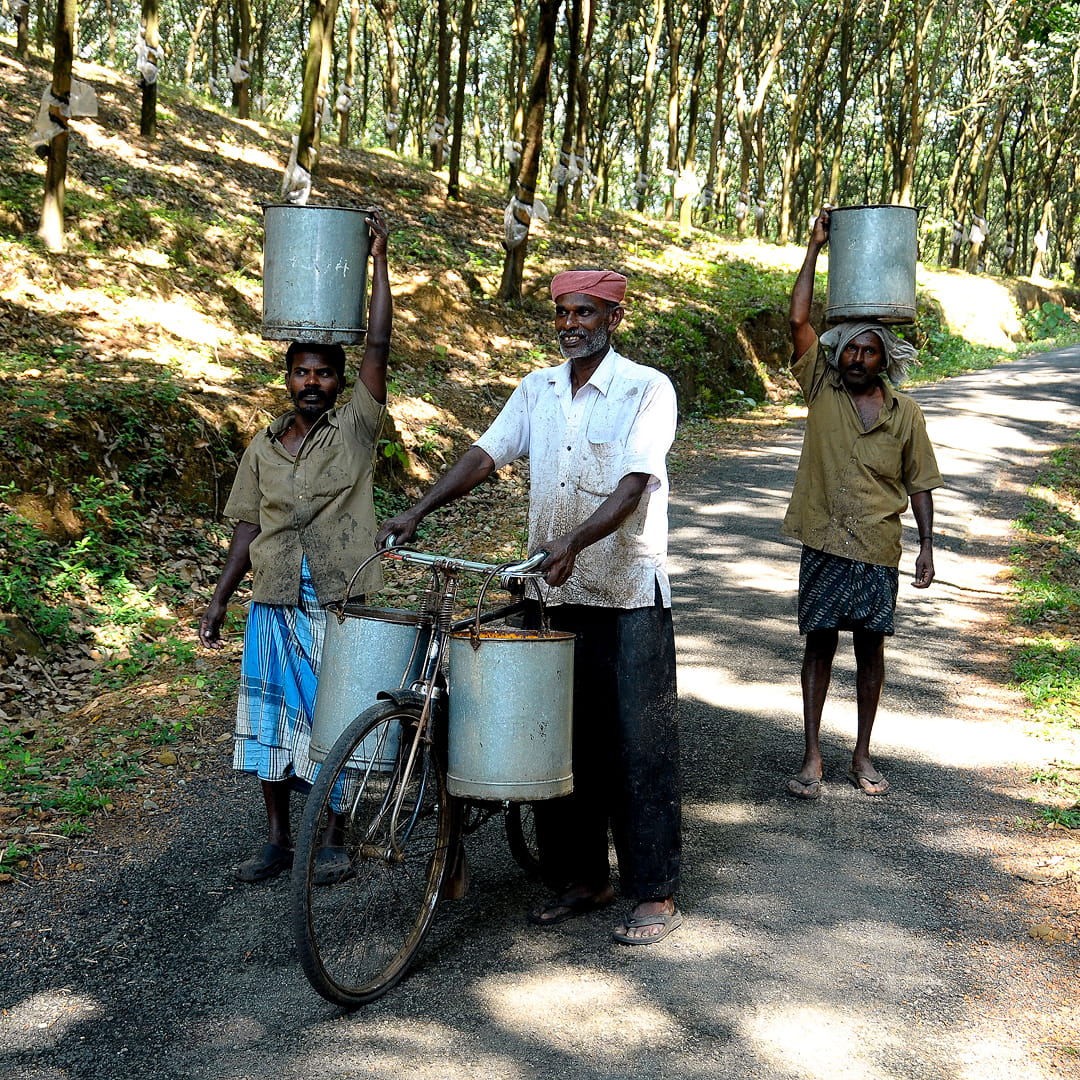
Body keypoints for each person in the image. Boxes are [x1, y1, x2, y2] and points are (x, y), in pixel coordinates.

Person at [376, 269, 682, 945]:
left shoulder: (645, 389)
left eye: (585, 312)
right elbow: (487, 453)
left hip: (627, 591)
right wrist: (418, 509)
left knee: (637, 743)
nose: (571, 323)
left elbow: (635, 483)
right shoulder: (536, 389)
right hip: (551, 590)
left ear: (613, 318)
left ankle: (653, 891)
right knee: (558, 739)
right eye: (563, 313)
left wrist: (574, 538)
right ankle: (583, 877)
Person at [198, 211, 392, 882]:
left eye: (324, 374)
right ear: (288, 377)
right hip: (274, 597)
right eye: (302, 373)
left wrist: (378, 258)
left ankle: (335, 835)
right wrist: (222, 599)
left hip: (338, 594)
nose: (312, 382)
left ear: (340, 382)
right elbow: (247, 527)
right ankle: (278, 839)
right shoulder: (262, 442)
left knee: (334, 712)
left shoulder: (357, 428)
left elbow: (378, 348)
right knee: (269, 720)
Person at [784, 208, 942, 799]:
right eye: (849, 350)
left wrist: (926, 545)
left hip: (878, 544)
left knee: (871, 651)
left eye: (868, 352)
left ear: (884, 360)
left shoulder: (907, 414)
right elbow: (798, 318)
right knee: (820, 642)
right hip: (824, 538)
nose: (856, 359)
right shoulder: (820, 386)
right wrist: (814, 248)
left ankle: (863, 754)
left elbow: (920, 481)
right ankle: (812, 755)